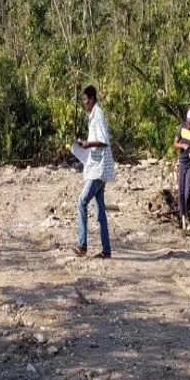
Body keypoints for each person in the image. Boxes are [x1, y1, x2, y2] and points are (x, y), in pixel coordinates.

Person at [72, 85, 114, 259]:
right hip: (98, 168)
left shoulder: (97, 114)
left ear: (90, 99)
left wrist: (87, 145)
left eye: (84, 100)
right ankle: (106, 250)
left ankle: (82, 245)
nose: (83, 104)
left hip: (99, 170)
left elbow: (104, 142)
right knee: (100, 212)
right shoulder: (94, 115)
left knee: (81, 202)